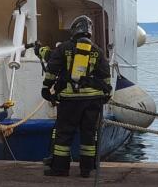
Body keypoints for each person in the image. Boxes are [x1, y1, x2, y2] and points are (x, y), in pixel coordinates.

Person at [41, 15, 112, 177]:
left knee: (64, 135)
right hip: (93, 101)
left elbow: (52, 70)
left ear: (74, 30)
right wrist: (106, 94)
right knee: (89, 134)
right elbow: (105, 76)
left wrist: (46, 88)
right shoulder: (97, 51)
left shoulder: (64, 48)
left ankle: (60, 169)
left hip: (69, 100)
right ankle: (86, 170)